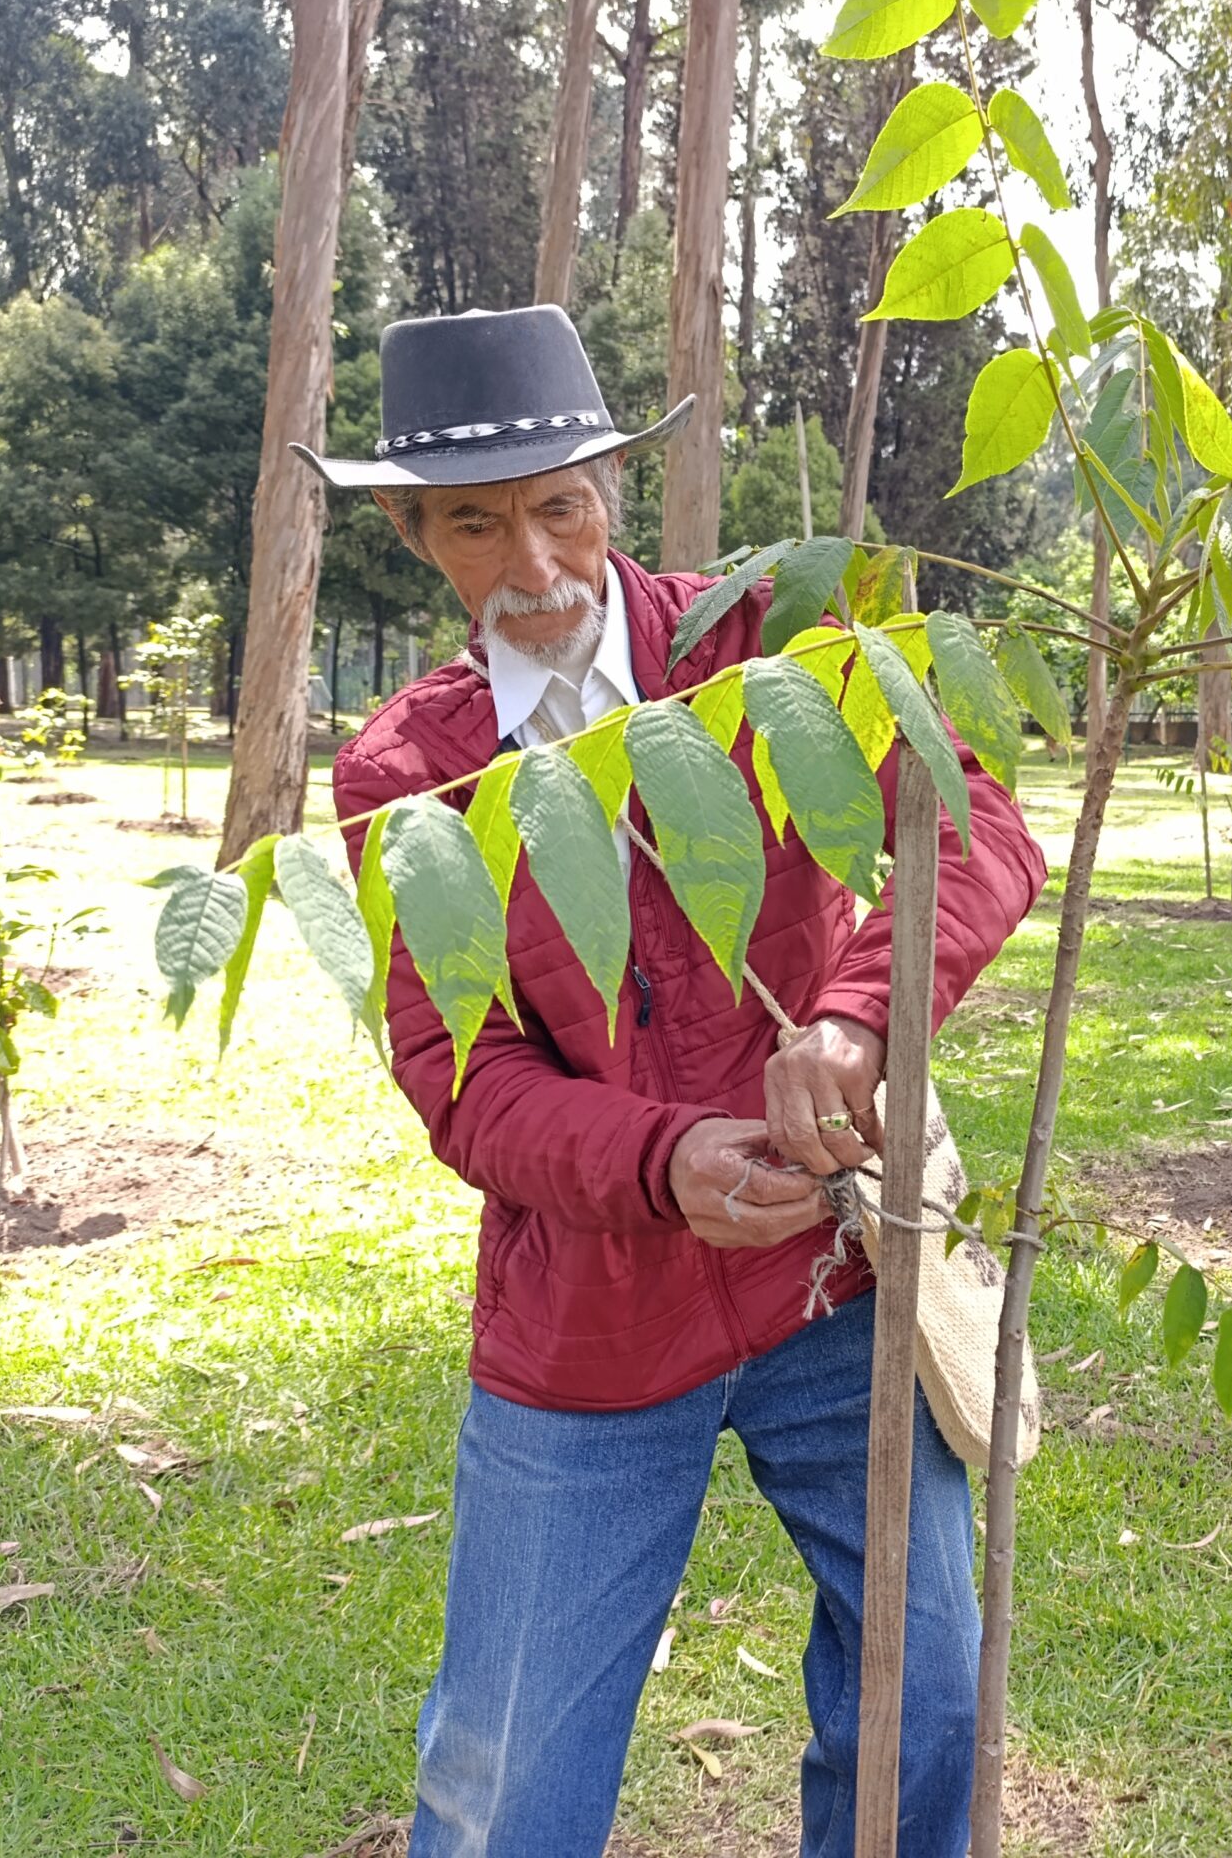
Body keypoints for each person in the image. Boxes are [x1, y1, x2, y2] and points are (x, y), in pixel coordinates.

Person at [294, 305, 1046, 1858]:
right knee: (510, 1783)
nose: (537, 568)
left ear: (615, 489)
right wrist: (665, 1161)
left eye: (561, 506)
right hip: (592, 1312)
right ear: (411, 533)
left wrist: (854, 1017)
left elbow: (973, 820)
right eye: (477, 526)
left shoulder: (766, 643)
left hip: (841, 1277)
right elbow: (466, 1079)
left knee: (932, 1696)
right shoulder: (402, 775)